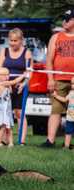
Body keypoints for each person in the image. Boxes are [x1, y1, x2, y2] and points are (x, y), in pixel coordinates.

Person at [41, 9, 74, 147]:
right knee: (56, 109)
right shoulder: (56, 37)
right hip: (58, 78)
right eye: (64, 18)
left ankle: (68, 143)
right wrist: (50, 78)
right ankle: (50, 140)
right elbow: (49, 60)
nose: (64, 21)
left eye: (68, 18)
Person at [0, 28, 32, 145]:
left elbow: (29, 72)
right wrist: (0, 83)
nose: (12, 43)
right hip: (5, 87)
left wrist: (23, 83)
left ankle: (21, 140)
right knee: (5, 112)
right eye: (11, 40)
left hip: (20, 85)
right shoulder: (4, 51)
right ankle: (5, 139)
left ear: (21, 40)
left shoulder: (27, 52)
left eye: (15, 40)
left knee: (19, 112)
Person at [0, 68, 25, 147]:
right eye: (5, 75)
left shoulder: (7, 85)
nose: (8, 76)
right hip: (2, 109)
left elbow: (10, 92)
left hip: (7, 109)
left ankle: (11, 143)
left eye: (8, 74)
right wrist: (23, 75)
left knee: (9, 127)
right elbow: (14, 81)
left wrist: (11, 87)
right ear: (0, 77)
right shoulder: (1, 84)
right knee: (3, 127)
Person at [52, 77, 74, 150]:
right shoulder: (71, 93)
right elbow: (65, 100)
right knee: (68, 132)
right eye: (72, 83)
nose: (72, 85)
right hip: (70, 117)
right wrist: (56, 96)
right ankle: (66, 146)